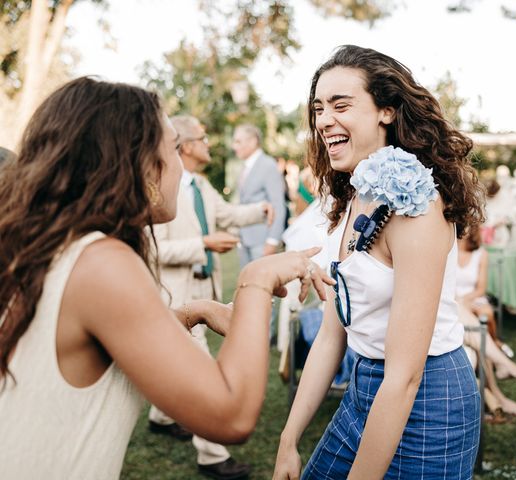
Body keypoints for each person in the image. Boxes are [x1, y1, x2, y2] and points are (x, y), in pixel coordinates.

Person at [0, 77, 333, 479]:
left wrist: (195, 311)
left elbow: (109, 338)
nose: (180, 164)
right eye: (174, 147)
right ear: (138, 162)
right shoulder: (100, 262)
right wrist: (257, 281)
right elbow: (230, 414)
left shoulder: (59, 247)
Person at [273, 45, 484, 479]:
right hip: (364, 386)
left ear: (386, 110)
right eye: (318, 108)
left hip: (428, 400)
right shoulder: (349, 195)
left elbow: (405, 375)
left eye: (340, 105)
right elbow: (332, 336)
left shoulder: (417, 207)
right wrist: (287, 441)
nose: (324, 120)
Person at [149, 115, 274, 479]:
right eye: (203, 138)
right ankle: (213, 457)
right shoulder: (160, 188)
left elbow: (227, 214)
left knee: (176, 365)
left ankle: (160, 417)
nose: (209, 145)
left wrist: (259, 210)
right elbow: (156, 249)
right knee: (203, 374)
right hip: (179, 298)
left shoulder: (201, 186)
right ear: (185, 146)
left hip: (208, 286)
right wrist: (202, 244)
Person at [232, 124, 287, 267]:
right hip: (244, 239)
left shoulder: (268, 165)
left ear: (252, 141)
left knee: (265, 287)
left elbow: (278, 204)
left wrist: (272, 240)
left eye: (238, 141)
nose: (234, 146)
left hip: (262, 241)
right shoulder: (245, 167)